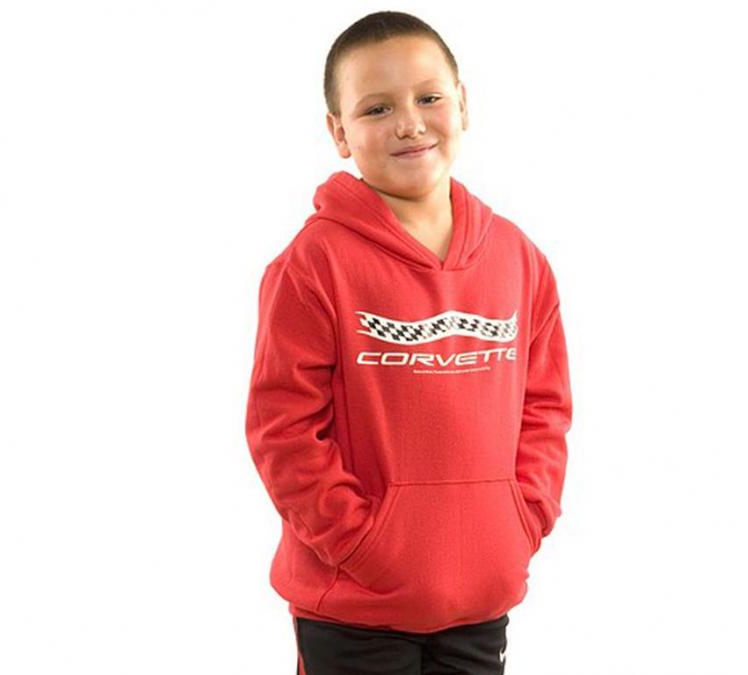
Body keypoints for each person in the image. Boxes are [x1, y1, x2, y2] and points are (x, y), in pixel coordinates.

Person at [244, 10, 572, 674]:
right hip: (355, 610)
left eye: (428, 98)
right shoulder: (314, 264)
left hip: (480, 598)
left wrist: (522, 520)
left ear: (463, 104)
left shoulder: (518, 259)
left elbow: (545, 408)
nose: (409, 123)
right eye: (377, 108)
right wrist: (359, 544)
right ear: (339, 132)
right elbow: (283, 427)